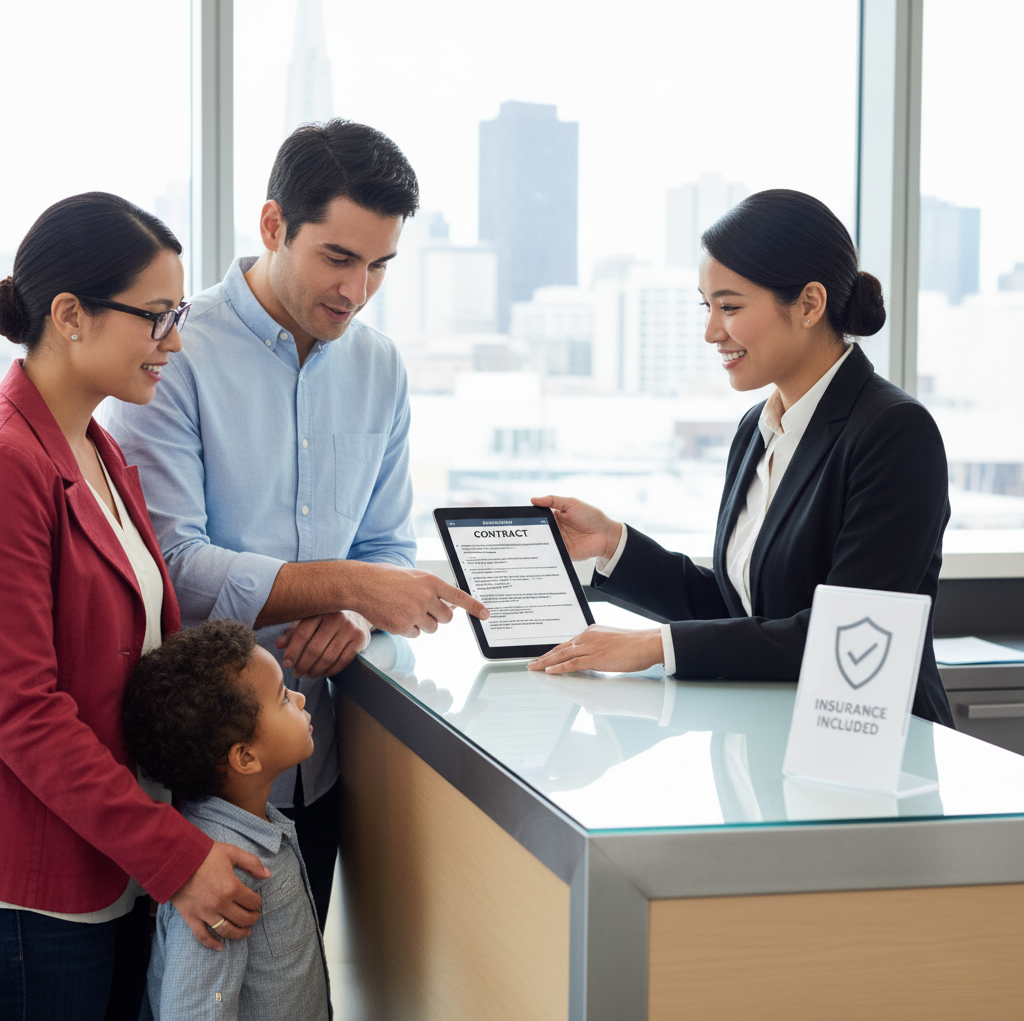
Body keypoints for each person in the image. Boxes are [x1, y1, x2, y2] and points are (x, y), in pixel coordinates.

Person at [106, 119, 488, 929]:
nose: (356, 290)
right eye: (338, 258)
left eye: (380, 265)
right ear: (274, 225)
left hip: (319, 762)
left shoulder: (379, 365)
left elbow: (386, 543)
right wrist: (353, 584)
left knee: (297, 991)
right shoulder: (170, 352)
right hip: (196, 775)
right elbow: (170, 564)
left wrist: (351, 611)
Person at [528, 189, 954, 727]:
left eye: (729, 307)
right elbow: (740, 614)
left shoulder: (894, 432)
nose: (711, 332)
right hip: (765, 736)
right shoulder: (759, 428)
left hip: (875, 745)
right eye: (707, 308)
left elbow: (847, 634)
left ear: (809, 304)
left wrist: (655, 646)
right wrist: (613, 545)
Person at [0, 193, 271, 1021]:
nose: (176, 342)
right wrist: (175, 857)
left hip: (121, 867)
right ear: (71, 314)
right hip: (47, 896)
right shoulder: (11, 464)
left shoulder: (99, 447)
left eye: (178, 314)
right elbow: (22, 711)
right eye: (156, 317)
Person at [123, 620, 331, 1021]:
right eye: (284, 699)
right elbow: (195, 1010)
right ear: (245, 757)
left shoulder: (255, 831)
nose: (300, 701)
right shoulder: (221, 876)